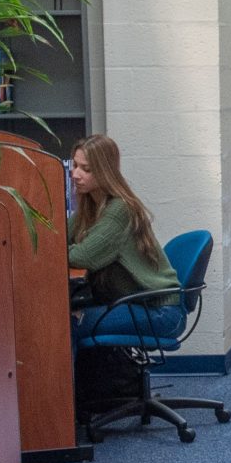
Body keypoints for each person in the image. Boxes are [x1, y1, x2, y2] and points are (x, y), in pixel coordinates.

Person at [66, 133, 178, 334]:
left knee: (68, 323)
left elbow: (82, 257)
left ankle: (73, 367)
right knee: (66, 316)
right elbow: (56, 238)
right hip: (133, 304)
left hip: (159, 310)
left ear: (104, 172)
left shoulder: (119, 209)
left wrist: (64, 249)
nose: (75, 174)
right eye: (75, 166)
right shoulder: (90, 207)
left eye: (86, 169)